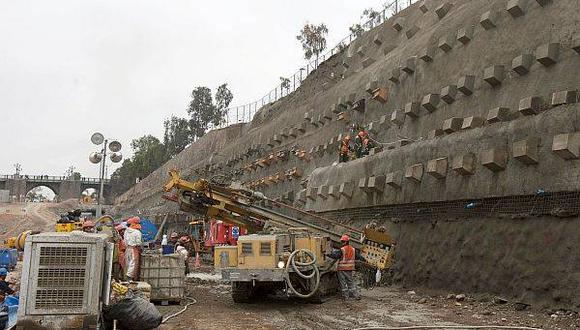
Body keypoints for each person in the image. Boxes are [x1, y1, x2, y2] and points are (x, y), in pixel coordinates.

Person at [326, 235, 365, 300]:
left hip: (342, 269)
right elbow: (359, 257)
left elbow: (335, 256)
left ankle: (345, 297)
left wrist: (327, 254)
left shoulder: (342, 250)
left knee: (343, 283)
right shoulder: (353, 249)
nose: (341, 243)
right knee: (350, 282)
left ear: (344, 242)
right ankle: (356, 295)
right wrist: (365, 260)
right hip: (350, 269)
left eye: (342, 241)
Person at [124, 217, 143, 281]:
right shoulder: (137, 232)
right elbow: (138, 243)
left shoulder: (126, 231)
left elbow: (125, 241)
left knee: (128, 263)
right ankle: (129, 277)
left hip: (127, 249)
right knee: (133, 263)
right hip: (134, 249)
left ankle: (127, 277)